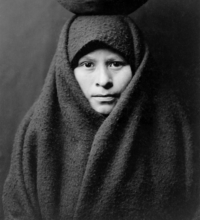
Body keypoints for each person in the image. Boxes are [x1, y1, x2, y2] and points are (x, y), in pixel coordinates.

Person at [2, 15, 199, 220]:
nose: (104, 80)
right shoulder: (38, 131)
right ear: (67, 71)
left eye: (115, 64)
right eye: (88, 65)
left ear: (139, 68)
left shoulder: (172, 128)